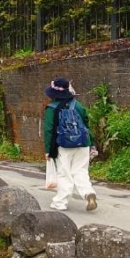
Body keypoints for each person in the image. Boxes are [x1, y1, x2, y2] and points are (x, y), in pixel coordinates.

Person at [43, 77, 97, 212]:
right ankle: (88, 192)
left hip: (64, 145)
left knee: (64, 173)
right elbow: (85, 124)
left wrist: (48, 150)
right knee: (81, 170)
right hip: (83, 142)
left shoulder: (51, 108)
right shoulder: (77, 105)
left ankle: (60, 202)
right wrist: (91, 142)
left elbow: (49, 130)